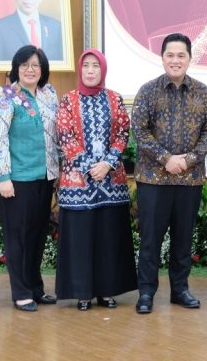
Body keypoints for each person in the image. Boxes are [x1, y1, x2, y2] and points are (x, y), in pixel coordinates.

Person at [131, 33, 207, 314]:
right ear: (162, 58)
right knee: (150, 240)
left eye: (181, 55)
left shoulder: (203, 92)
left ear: (190, 59)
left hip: (189, 180)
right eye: (170, 55)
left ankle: (180, 290)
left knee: (183, 239)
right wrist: (166, 159)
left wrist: (188, 160)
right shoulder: (148, 91)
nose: (175, 60)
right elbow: (139, 130)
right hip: (153, 180)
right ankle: (146, 293)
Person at [55, 49, 137, 311]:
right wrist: (89, 167)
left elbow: (123, 132)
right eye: (86, 65)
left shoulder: (115, 98)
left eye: (96, 66)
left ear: (103, 70)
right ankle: (82, 292)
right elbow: (65, 135)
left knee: (108, 238)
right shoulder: (68, 100)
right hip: (77, 184)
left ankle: (107, 291)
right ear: (80, 69)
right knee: (81, 239)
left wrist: (107, 164)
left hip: (111, 183)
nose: (90, 70)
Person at [0, 45, 59, 312]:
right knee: (18, 238)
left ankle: (36, 288)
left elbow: (58, 135)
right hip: (15, 180)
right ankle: (21, 292)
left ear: (43, 70)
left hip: (45, 177)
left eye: (35, 65)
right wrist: (3, 176)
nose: (30, 70)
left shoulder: (49, 94)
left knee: (38, 236)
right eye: (24, 65)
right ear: (16, 68)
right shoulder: (4, 96)